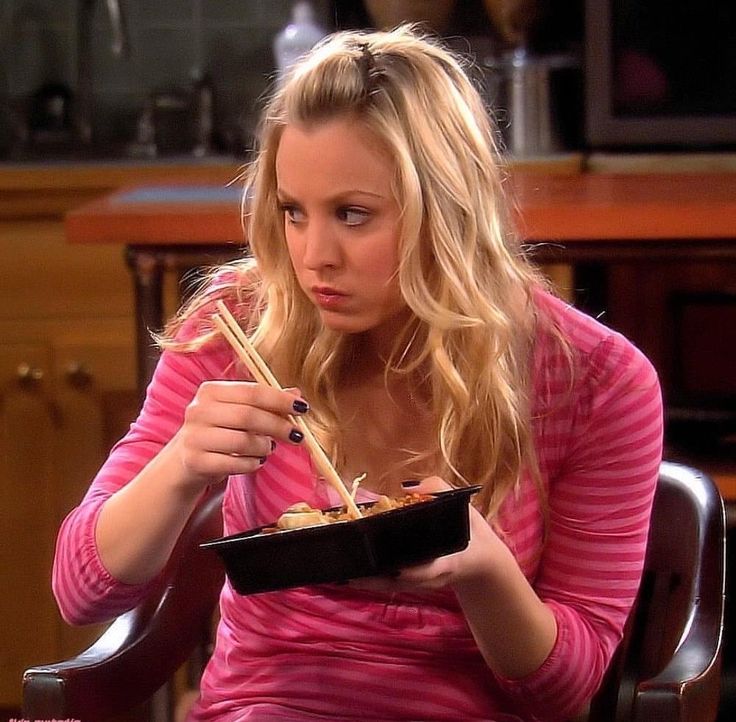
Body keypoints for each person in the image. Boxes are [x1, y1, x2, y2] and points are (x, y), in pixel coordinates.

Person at [52, 25, 663, 722]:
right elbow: (80, 593)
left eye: (352, 214)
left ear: (447, 209)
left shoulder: (595, 380)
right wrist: (180, 467)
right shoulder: (239, 326)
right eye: (292, 212)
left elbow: (565, 694)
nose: (314, 257)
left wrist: (483, 568)